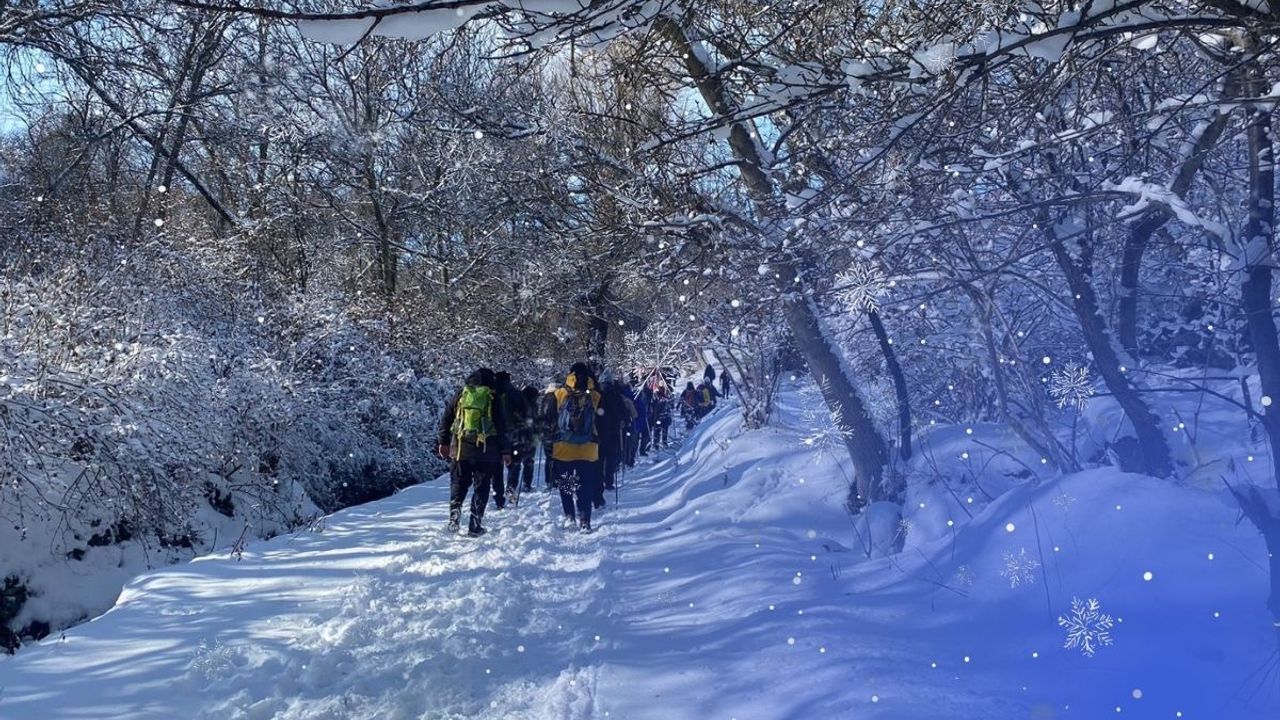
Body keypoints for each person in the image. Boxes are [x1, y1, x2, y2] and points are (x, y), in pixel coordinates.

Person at [437, 368, 511, 536]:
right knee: (481, 487)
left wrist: (443, 442)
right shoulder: (492, 397)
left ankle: (454, 514)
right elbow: (501, 426)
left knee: (458, 483)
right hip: (486, 451)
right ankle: (475, 524)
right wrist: (506, 450)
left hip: (460, 448)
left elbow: (446, 418)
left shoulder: (461, 395)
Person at [550, 362, 603, 533]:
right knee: (585, 486)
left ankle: (569, 516)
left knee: (565, 484)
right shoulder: (595, 395)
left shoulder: (559, 393)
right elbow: (603, 420)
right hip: (588, 449)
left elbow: (549, 418)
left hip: (563, 448)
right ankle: (585, 519)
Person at [492, 371, 531, 507]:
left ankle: (498, 497)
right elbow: (526, 417)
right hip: (515, 436)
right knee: (514, 465)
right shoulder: (518, 395)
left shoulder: (492, 395)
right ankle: (511, 488)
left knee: (496, 467)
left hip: (496, 437)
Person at [595, 372, 629, 506]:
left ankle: (599, 483)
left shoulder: (598, 394)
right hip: (613, 431)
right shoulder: (616, 394)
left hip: (600, 432)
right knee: (611, 457)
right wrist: (623, 420)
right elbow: (623, 412)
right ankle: (608, 482)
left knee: (600, 459)